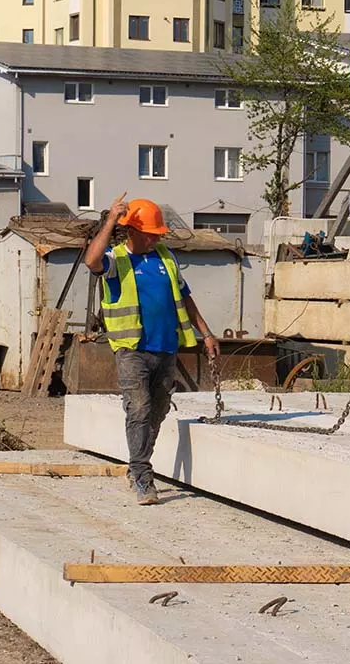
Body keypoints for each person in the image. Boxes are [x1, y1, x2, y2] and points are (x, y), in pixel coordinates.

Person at [84, 195, 220, 505]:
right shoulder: (116, 259)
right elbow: (91, 262)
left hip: (166, 348)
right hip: (132, 349)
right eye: (150, 233)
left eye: (158, 234)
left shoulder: (166, 258)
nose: (155, 238)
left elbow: (185, 298)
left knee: (157, 411)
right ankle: (142, 474)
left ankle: (139, 464)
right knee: (139, 408)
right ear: (131, 230)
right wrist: (109, 222)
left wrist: (207, 333)